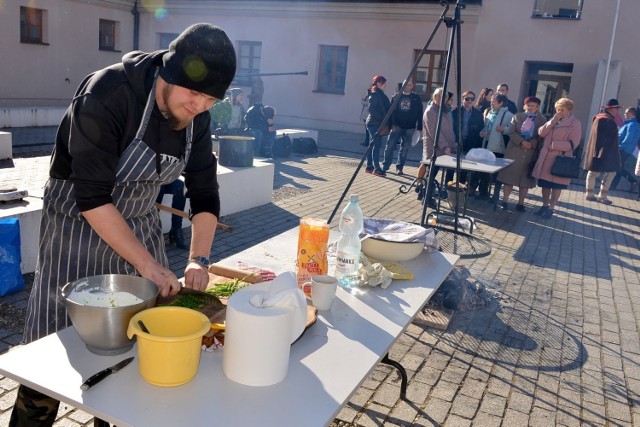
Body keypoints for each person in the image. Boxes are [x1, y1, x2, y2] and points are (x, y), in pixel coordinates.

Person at [10, 23, 236, 426]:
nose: (200, 106)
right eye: (194, 93)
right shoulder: (108, 94)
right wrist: (149, 265)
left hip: (141, 226)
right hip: (76, 231)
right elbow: (92, 197)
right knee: (50, 345)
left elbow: (205, 192)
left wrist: (199, 259)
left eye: (210, 99)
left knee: (135, 347)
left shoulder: (197, 117)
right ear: (169, 72)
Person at [531, 97, 582, 218]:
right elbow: (541, 133)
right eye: (557, 109)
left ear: (569, 110)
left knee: (556, 186)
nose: (559, 112)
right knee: (545, 184)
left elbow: (574, 143)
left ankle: (551, 208)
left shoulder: (575, 123)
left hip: (561, 159)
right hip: (546, 158)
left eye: (562, 110)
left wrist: (555, 145)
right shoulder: (554, 120)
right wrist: (552, 121)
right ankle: (544, 205)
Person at [496, 96, 547, 211]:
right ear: (525, 106)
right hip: (514, 151)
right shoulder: (518, 116)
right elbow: (511, 132)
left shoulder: (542, 120)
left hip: (530, 154)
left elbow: (542, 136)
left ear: (537, 107)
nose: (530, 107)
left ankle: (521, 204)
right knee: (508, 178)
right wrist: (522, 141)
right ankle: (504, 201)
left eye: (533, 106)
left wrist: (532, 143)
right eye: (528, 105)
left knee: (525, 181)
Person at [416, 87, 455, 208]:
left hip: (444, 146)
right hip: (433, 146)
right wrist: (445, 146)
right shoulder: (430, 111)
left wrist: (452, 144)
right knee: (431, 173)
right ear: (434, 97)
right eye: (438, 96)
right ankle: (427, 198)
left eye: (443, 97)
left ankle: (423, 193)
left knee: (433, 172)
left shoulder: (444, 110)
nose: (440, 99)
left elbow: (449, 130)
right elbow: (434, 132)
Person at [473, 93, 513, 201]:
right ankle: (483, 193)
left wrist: (504, 129)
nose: (491, 103)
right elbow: (486, 127)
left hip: (498, 148)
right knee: (484, 171)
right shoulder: (490, 112)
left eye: (493, 102)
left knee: (496, 175)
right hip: (487, 146)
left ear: (500, 103)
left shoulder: (508, 115)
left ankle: (495, 196)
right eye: (491, 101)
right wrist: (482, 132)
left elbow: (512, 129)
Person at [583, 98, 623, 205]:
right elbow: (603, 139)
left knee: (593, 172)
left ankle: (589, 194)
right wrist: (601, 152)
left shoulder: (597, 117)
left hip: (595, 150)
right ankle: (602, 195)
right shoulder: (608, 121)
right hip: (605, 152)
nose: (617, 111)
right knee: (610, 173)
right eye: (616, 109)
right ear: (611, 109)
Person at [382, 80, 423, 175]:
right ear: (403, 85)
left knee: (404, 148)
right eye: (406, 84)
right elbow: (391, 112)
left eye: (409, 85)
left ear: (412, 86)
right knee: (390, 146)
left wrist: (420, 127)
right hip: (397, 126)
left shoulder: (416, 98)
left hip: (410, 127)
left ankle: (399, 168)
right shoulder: (396, 96)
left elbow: (420, 112)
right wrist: (392, 124)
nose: (407, 86)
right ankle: (385, 166)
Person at [451, 90, 484, 186]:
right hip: (456, 142)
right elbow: (451, 129)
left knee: (464, 167)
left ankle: (460, 188)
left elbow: (480, 128)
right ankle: (447, 188)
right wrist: (455, 141)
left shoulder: (478, 114)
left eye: (472, 99)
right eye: (467, 99)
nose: (470, 101)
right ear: (463, 99)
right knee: (451, 167)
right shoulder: (455, 112)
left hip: (470, 144)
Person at [365, 75, 391, 176]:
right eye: (384, 83)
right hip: (374, 124)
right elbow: (371, 110)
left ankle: (369, 166)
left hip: (376, 123)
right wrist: (382, 119)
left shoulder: (380, 94)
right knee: (376, 145)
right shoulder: (375, 94)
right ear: (379, 83)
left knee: (372, 145)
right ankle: (376, 168)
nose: (385, 85)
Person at [610, 107, 639, 192]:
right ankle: (632, 181)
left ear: (632, 114)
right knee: (619, 166)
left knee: (617, 167)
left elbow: (628, 139)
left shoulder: (633, 125)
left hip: (624, 149)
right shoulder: (628, 124)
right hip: (623, 148)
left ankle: (613, 185)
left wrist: (619, 146)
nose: (624, 114)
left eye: (626, 113)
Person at [156, 179, 188, 249]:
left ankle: (176, 229)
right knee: (159, 189)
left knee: (180, 185)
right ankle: (153, 231)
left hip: (162, 178)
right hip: (147, 180)